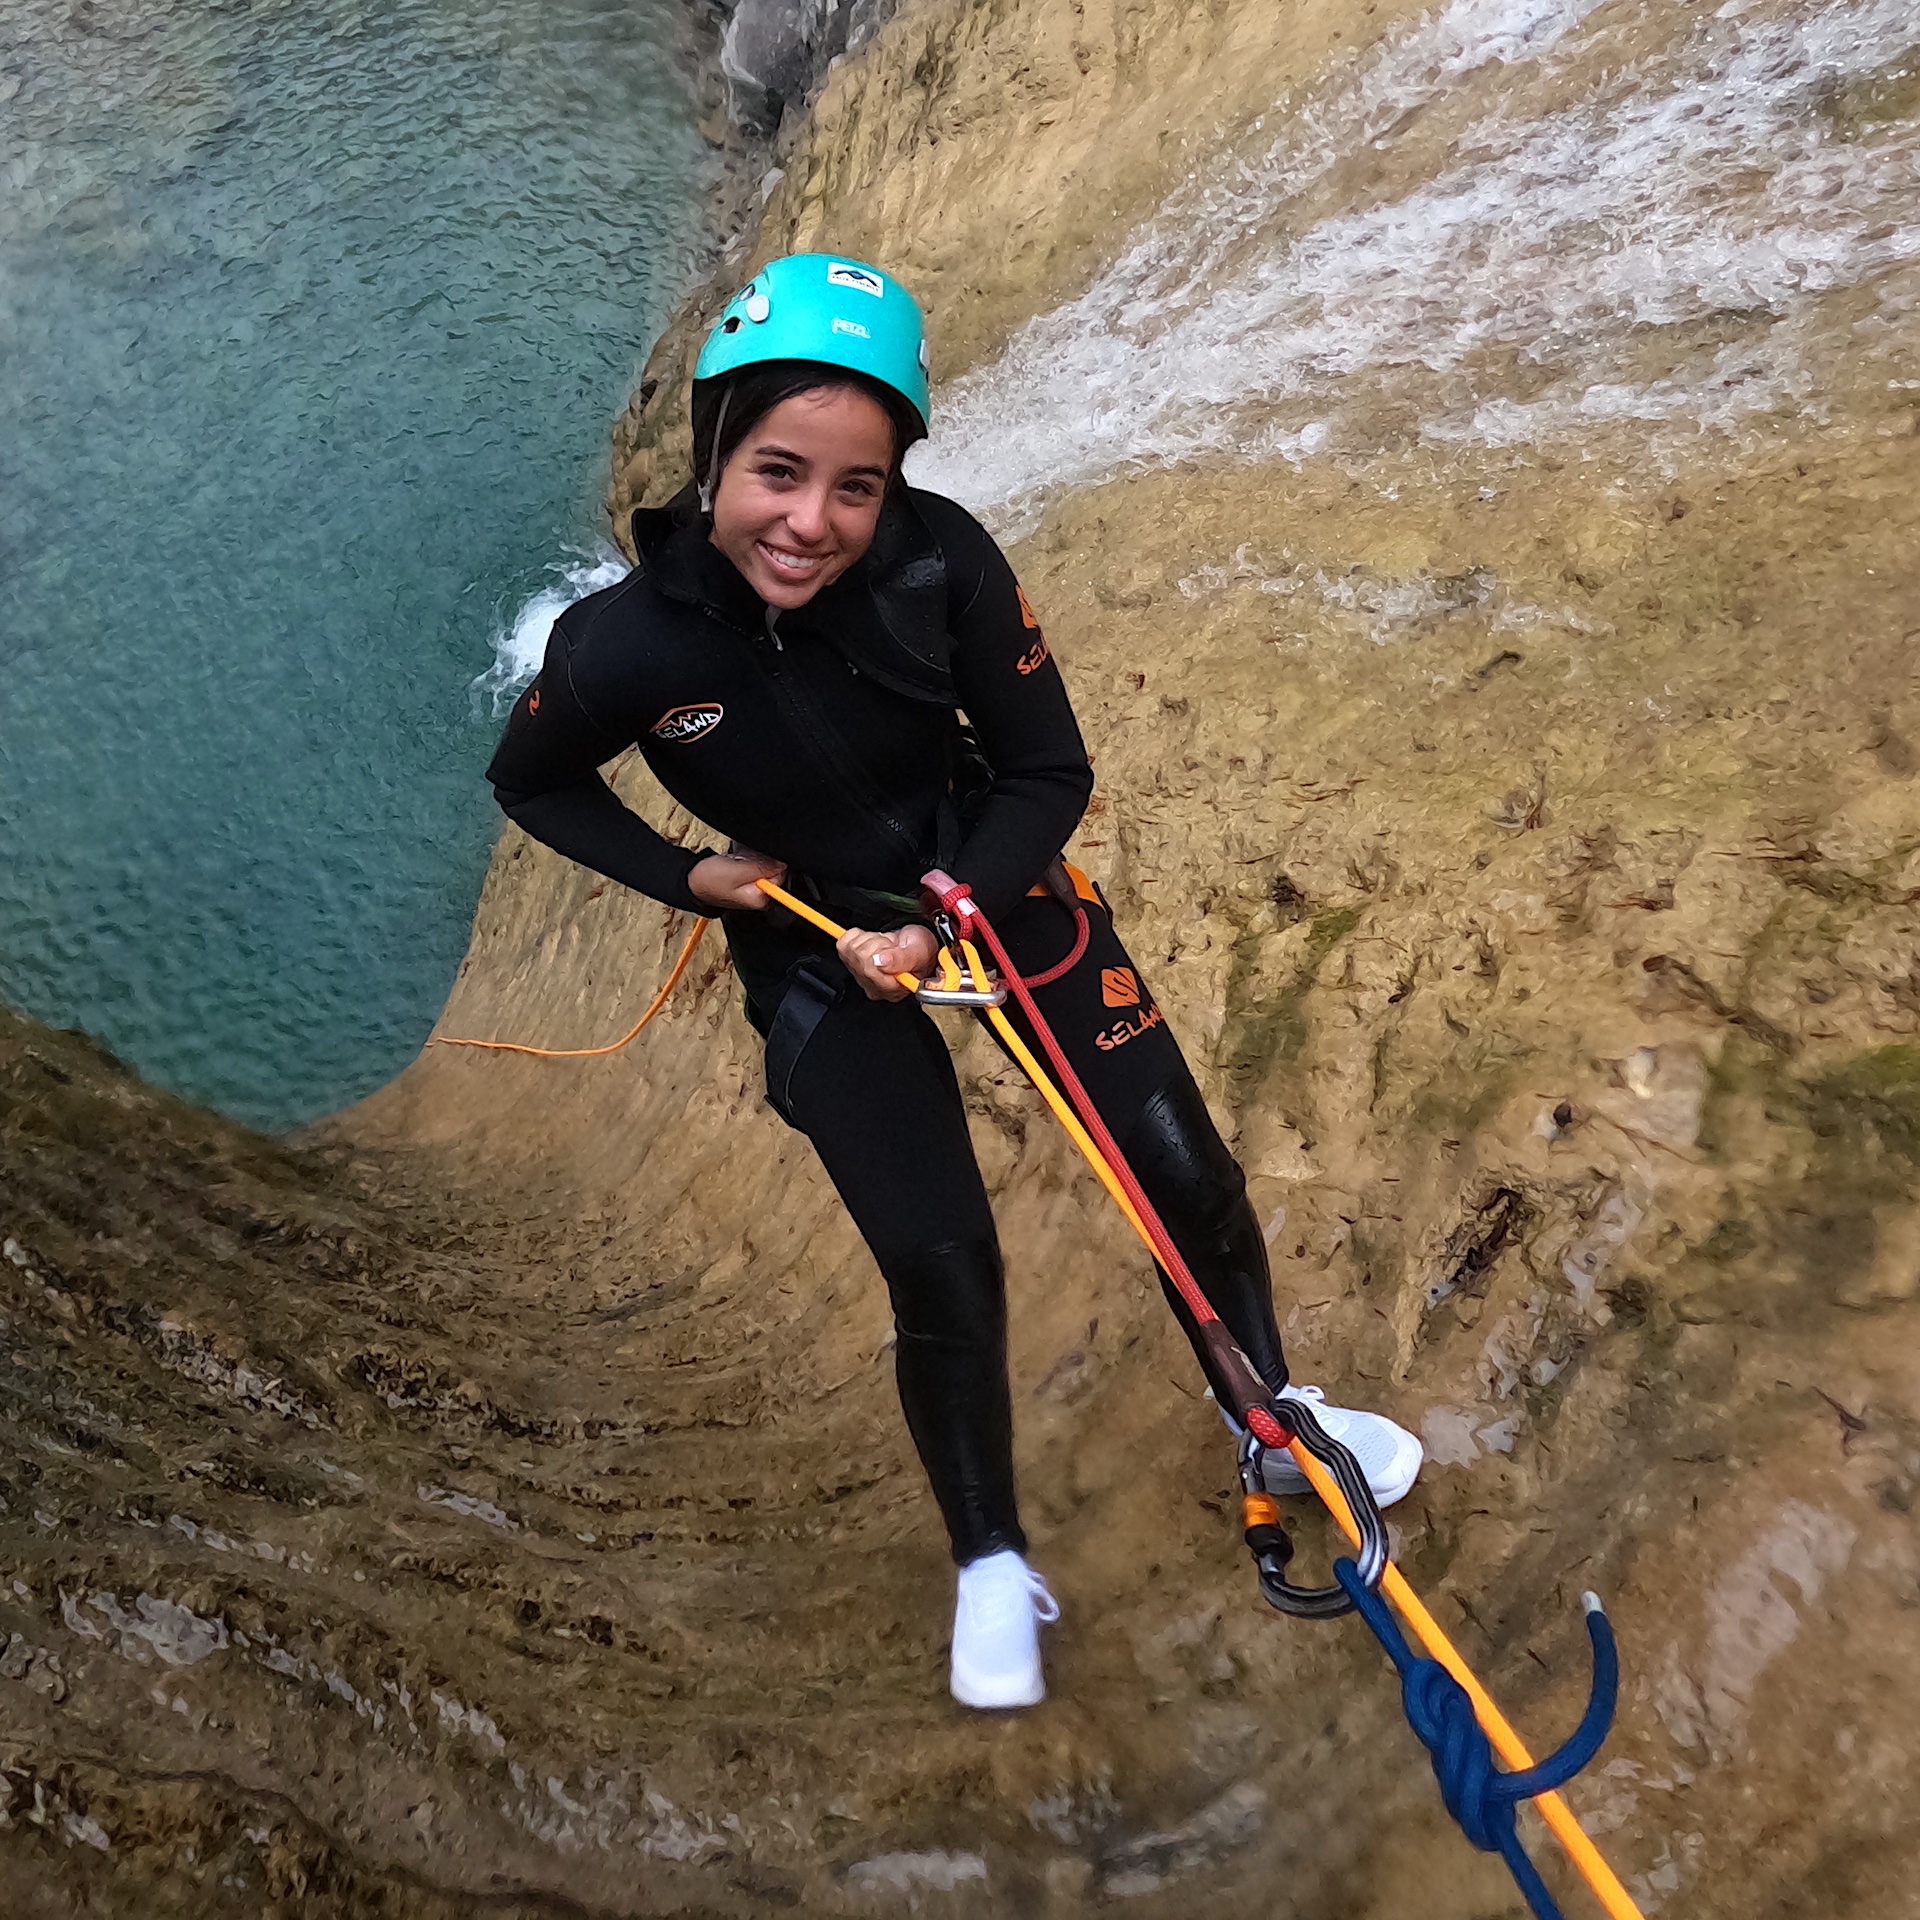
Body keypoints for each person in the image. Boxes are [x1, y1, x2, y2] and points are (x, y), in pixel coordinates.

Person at [486, 253, 1422, 1711]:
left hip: (988, 887)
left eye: (856, 487)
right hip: (812, 947)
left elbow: (1049, 768)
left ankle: (1270, 1419)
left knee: (1187, 1180)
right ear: (713, 448)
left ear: (896, 486)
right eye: (779, 473)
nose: (813, 523)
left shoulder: (942, 563)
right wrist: (696, 878)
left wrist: (951, 905)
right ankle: (991, 1560)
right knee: (943, 1265)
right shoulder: (621, 648)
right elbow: (531, 783)